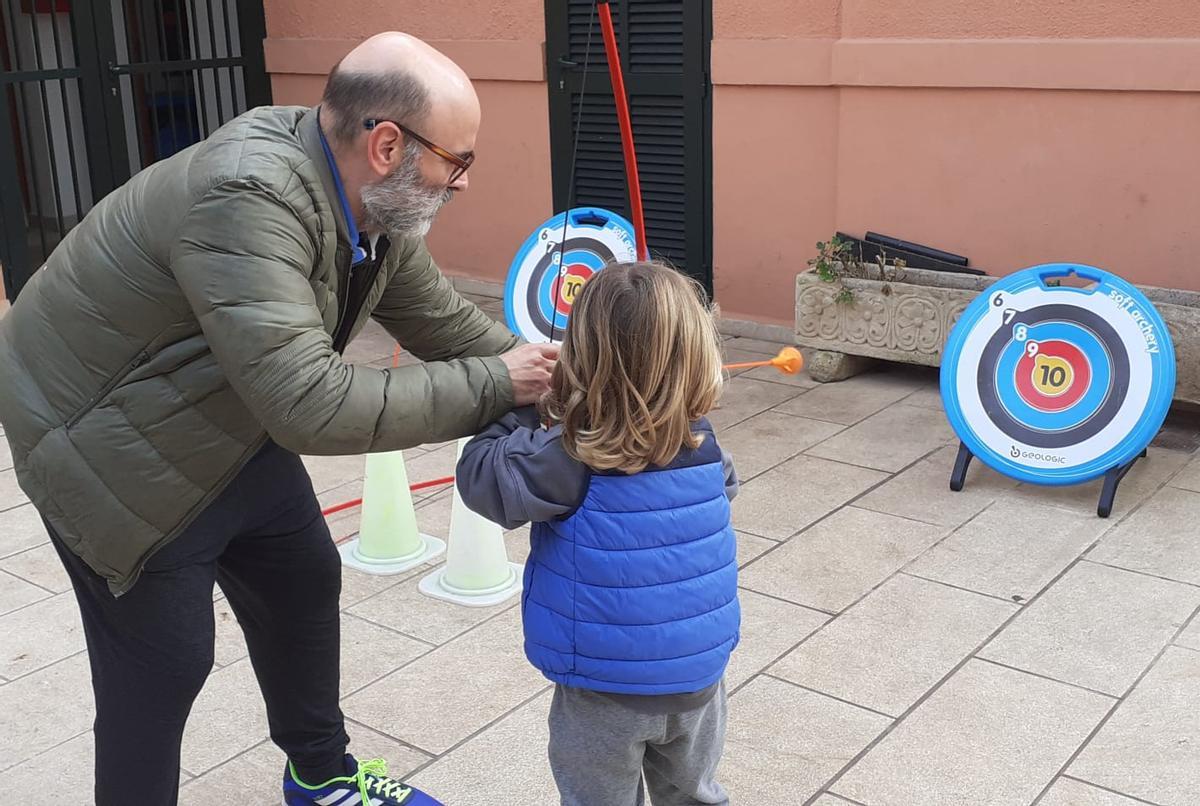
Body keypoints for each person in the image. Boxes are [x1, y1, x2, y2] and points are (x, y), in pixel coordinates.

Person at [0, 32, 558, 806]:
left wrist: (562, 383)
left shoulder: (369, 202)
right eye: (457, 161)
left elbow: (444, 324)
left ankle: (321, 779)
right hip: (102, 442)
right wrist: (498, 382)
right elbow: (311, 405)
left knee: (299, 578)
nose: (462, 182)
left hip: (219, 413)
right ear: (388, 144)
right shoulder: (249, 197)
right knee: (164, 662)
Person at [456, 261, 740, 806]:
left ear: (582, 357)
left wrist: (519, 407)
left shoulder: (572, 456)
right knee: (695, 795)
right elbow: (725, 491)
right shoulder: (705, 444)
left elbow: (483, 478)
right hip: (700, 684)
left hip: (603, 692)